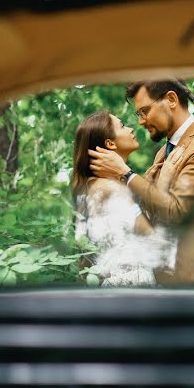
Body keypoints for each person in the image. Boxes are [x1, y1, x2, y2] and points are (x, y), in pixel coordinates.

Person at [88, 80, 194, 285]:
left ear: (171, 99)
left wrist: (127, 174)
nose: (141, 122)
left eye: (144, 111)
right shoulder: (164, 152)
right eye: (138, 114)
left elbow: (176, 211)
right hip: (169, 281)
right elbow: (152, 211)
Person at [72, 111, 175, 286]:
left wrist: (144, 186)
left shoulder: (94, 186)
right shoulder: (109, 189)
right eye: (122, 126)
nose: (131, 128)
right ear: (110, 143)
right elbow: (156, 245)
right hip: (131, 289)